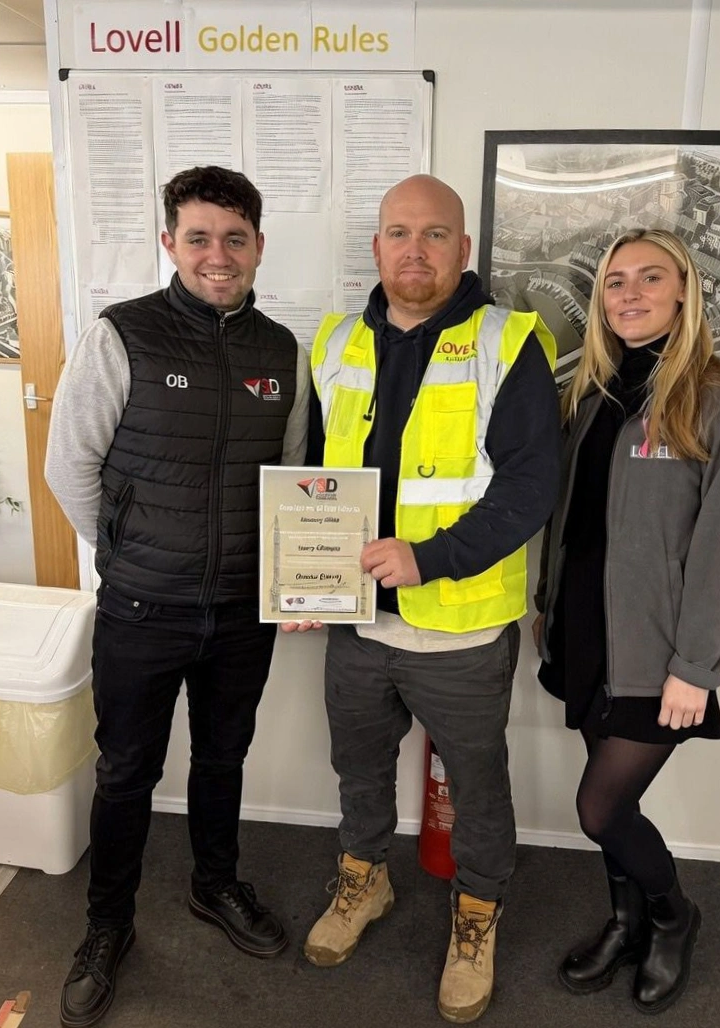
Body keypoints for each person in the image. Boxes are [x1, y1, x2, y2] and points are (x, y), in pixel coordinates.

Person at [289, 174, 560, 1023]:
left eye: (435, 234)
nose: (415, 249)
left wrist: (431, 558)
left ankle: (476, 919)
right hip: (357, 626)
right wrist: (298, 578)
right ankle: (363, 882)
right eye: (399, 233)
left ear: (464, 249)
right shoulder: (333, 339)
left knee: (477, 786)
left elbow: (529, 488)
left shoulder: (509, 339)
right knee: (357, 768)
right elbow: (307, 477)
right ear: (375, 247)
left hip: (463, 629)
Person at [45, 166, 309, 1028]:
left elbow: (296, 478)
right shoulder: (122, 336)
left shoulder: (283, 352)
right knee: (126, 772)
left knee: (223, 760)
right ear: (169, 243)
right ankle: (105, 926)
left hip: (241, 612)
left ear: (260, 246)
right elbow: (69, 467)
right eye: (198, 237)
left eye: (235, 238)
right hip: (141, 611)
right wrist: (127, 555)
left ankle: (214, 884)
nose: (217, 254)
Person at [534, 228, 720, 1014]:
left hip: (657, 650)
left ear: (682, 291)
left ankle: (673, 915)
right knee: (617, 806)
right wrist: (547, 610)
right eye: (614, 282)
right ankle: (624, 919)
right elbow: (573, 521)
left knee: (599, 807)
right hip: (584, 631)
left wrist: (695, 669)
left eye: (649, 279)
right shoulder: (593, 393)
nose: (629, 294)